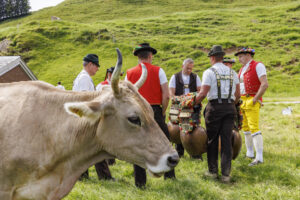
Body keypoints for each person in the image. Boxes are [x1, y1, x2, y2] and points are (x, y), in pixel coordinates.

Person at [125, 43, 176, 188]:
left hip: (137, 111)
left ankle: (140, 182)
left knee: (138, 144)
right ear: (150, 56)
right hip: (155, 110)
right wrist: (163, 111)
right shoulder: (159, 70)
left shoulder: (129, 73)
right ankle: (170, 176)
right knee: (165, 142)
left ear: (138, 57)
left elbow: (127, 96)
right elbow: (166, 96)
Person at [196, 45, 240, 183]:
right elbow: (238, 94)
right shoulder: (233, 73)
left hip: (215, 107)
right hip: (230, 107)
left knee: (212, 140)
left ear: (213, 57)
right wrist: (230, 104)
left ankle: (213, 171)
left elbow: (203, 93)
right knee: (226, 141)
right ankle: (226, 174)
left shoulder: (209, 72)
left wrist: (193, 102)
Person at [73, 53, 114, 181]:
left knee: (85, 149)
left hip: (82, 118)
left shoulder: (82, 77)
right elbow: (86, 99)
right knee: (97, 148)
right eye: (96, 65)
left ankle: (82, 176)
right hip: (86, 118)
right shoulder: (84, 78)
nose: (97, 69)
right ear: (90, 64)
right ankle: (104, 177)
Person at [235, 47, 268, 166]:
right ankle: (250, 153)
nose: (239, 59)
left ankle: (259, 157)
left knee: (254, 127)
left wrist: (255, 99)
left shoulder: (258, 65)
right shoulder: (242, 69)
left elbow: (264, 84)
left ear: (248, 55)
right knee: (245, 128)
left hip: (251, 98)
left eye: (240, 56)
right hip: (242, 100)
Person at [169, 58, 201, 158]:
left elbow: (200, 92)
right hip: (179, 107)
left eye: (191, 69)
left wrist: (191, 99)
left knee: (193, 128)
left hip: (192, 107)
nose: (189, 70)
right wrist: (182, 100)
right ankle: (179, 152)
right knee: (179, 129)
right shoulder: (175, 77)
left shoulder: (195, 77)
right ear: (182, 66)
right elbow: (171, 94)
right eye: (187, 68)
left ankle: (194, 152)